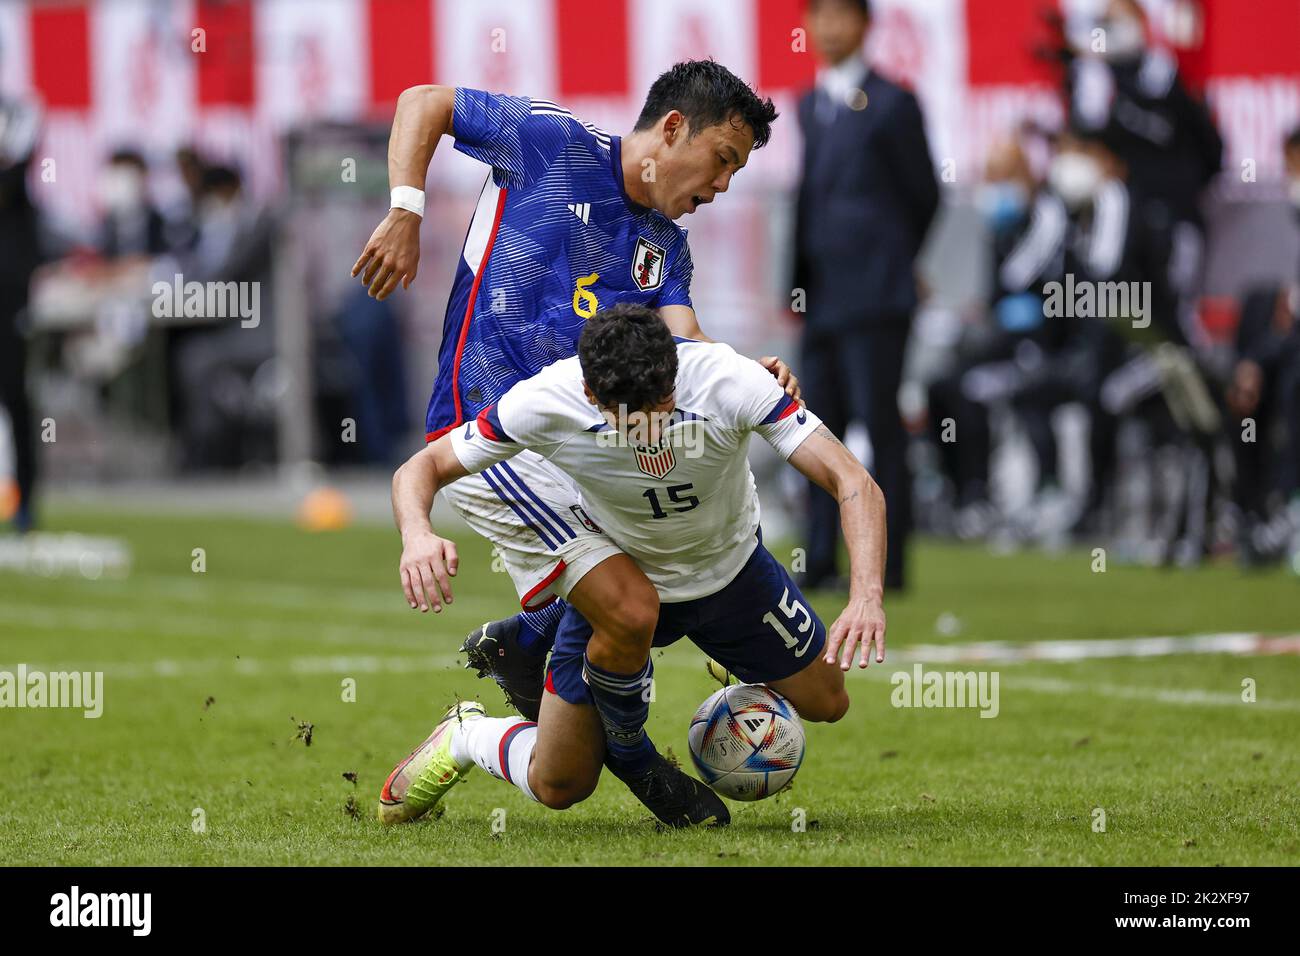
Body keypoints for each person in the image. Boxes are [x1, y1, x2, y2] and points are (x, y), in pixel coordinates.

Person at [351, 61, 796, 827]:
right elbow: (422, 100)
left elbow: (686, 345)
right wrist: (405, 210)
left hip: (582, 455)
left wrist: (740, 371)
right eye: (723, 159)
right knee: (632, 603)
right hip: (491, 433)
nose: (723, 184)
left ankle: (489, 708)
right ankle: (634, 755)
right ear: (673, 128)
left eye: (738, 170)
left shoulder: (666, 249)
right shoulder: (550, 142)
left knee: (563, 777)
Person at [378, 305, 887, 826]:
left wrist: (866, 594)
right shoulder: (548, 400)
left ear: (675, 373)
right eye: (628, 416)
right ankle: (470, 736)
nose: (649, 431)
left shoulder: (730, 380)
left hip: (734, 575)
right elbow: (426, 465)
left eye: (661, 406)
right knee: (560, 783)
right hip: (623, 589)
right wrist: (418, 534)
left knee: (830, 701)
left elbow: (853, 482)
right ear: (591, 395)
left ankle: (535, 634)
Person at [791, 0, 939, 590]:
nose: (826, 27)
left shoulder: (895, 102)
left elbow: (925, 195)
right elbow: (809, 202)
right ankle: (820, 558)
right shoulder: (810, 104)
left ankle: (889, 564)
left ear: (863, 24)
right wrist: (796, 284)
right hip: (821, 297)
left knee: (881, 427)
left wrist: (893, 261)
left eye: (838, 14)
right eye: (817, 15)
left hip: (877, 298)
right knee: (809, 430)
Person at [0, 95, 42, 533]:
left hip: (10, 303)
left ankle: (24, 500)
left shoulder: (13, 183)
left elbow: (32, 125)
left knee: (16, 398)